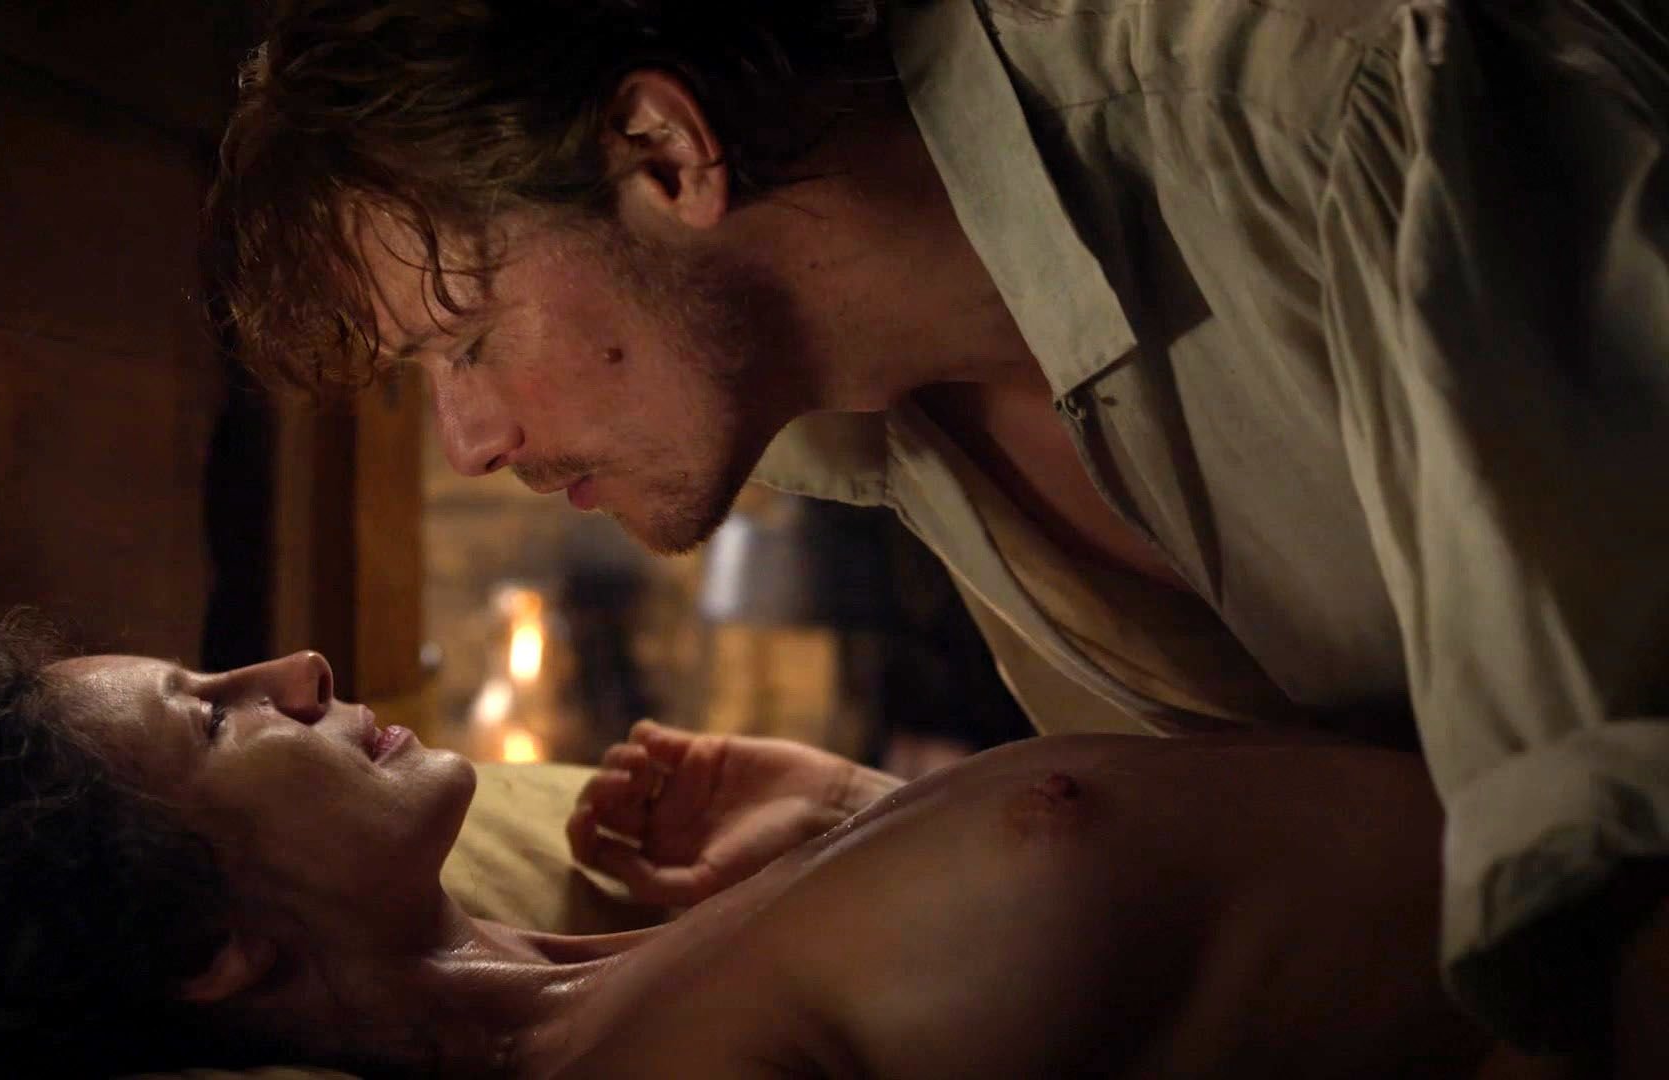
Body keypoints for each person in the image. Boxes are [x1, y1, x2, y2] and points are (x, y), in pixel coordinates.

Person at [203, 0, 1669, 1068]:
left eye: (464, 341)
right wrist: (874, 837)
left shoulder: (1326, 115)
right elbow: (1345, 847)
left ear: (665, 153)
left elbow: (1622, 864)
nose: (469, 441)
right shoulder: (877, 425)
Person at [0, 624, 1513, 1078]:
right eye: (218, 721)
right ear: (211, 945)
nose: (297, 670)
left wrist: (845, 818)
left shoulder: (609, 974)